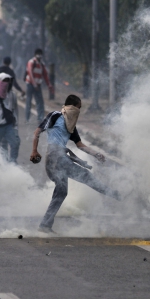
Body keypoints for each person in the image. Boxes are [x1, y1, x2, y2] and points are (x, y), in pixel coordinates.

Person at [30, 94, 120, 234]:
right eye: (78, 108)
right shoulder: (55, 115)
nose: (78, 111)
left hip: (58, 159)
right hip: (55, 157)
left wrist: (96, 154)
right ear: (70, 107)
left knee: (61, 192)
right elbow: (37, 131)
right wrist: (34, 151)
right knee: (85, 176)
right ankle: (113, 193)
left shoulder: (71, 126)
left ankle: (45, 225)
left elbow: (80, 145)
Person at [0, 72, 20, 163]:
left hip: (9, 125)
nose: (6, 84)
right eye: (4, 81)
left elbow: (14, 110)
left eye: (8, 81)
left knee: (15, 144)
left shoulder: (11, 94)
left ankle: (12, 163)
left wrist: (15, 126)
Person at [25, 48, 54, 123]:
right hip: (30, 84)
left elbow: (45, 76)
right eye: (38, 54)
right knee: (28, 101)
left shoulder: (42, 64)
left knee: (40, 102)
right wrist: (34, 84)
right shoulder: (31, 62)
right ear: (35, 55)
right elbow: (30, 73)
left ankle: (40, 119)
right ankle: (27, 119)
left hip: (38, 85)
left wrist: (49, 85)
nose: (39, 56)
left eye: (40, 54)